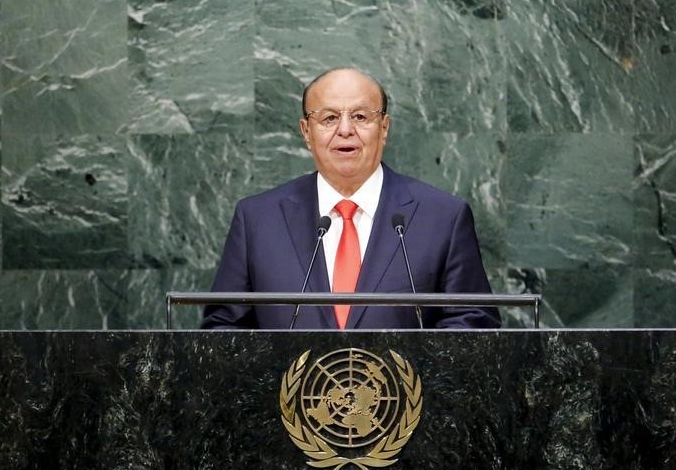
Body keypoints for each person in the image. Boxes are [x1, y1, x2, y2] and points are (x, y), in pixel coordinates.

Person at [201, 67, 500, 329]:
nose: (345, 130)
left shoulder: (443, 217)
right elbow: (223, 329)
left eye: (360, 116)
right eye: (329, 118)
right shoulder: (257, 220)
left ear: (384, 128)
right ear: (306, 132)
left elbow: (473, 324)